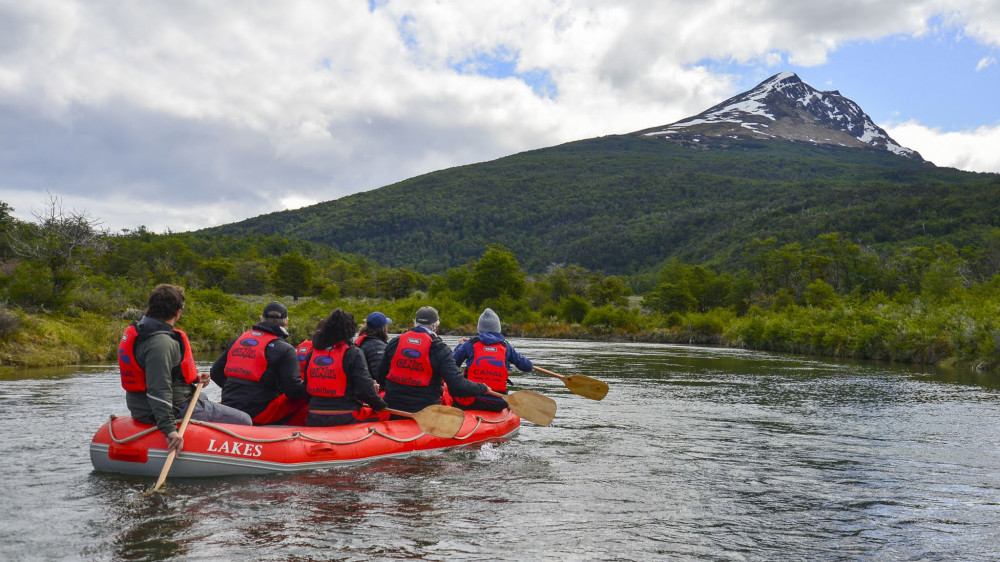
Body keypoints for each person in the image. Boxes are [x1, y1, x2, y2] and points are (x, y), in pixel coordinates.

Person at [119, 284, 251, 454]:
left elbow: (157, 373)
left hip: (141, 407)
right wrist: (170, 430)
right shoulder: (161, 343)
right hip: (169, 410)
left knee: (204, 398)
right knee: (245, 420)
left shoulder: (142, 332)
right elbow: (158, 390)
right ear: (177, 312)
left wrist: (194, 378)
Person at [375, 306, 491, 414]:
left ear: (415, 323)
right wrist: (482, 388)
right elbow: (457, 387)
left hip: (392, 406)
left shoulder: (394, 343)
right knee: (446, 393)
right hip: (425, 410)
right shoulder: (440, 349)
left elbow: (381, 377)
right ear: (436, 327)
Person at [210, 301, 309, 425]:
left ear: (261, 319)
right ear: (286, 322)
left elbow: (215, 373)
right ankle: (301, 432)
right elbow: (293, 392)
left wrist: (239, 390)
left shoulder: (237, 341)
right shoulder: (285, 349)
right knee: (306, 397)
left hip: (229, 407)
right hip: (258, 414)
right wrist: (310, 385)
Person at [302, 309, 387, 426]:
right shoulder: (353, 353)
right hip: (345, 416)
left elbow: (306, 388)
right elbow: (365, 390)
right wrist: (381, 407)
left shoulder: (312, 354)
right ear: (350, 331)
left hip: (314, 416)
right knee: (384, 413)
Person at [452, 308, 534, 412]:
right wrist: (530, 365)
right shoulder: (506, 347)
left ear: (479, 329)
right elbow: (527, 367)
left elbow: (452, 363)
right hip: (498, 402)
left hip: (472, 401)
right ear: (498, 328)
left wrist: (459, 346)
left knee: (451, 394)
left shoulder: (470, 344)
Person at [355, 311, 392, 376]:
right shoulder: (377, 346)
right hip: (372, 385)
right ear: (383, 328)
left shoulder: (363, 340)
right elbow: (379, 373)